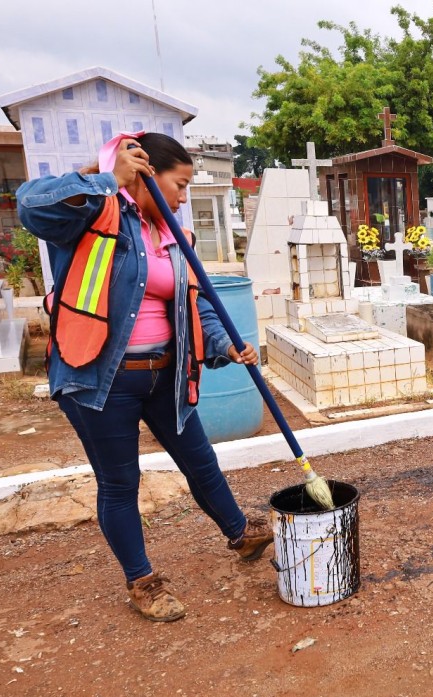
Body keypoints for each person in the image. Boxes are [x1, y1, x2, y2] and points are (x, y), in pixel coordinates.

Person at [17, 132, 273, 623]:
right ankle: (142, 581)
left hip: (163, 376)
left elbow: (199, 307)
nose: (183, 197)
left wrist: (226, 345)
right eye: (179, 184)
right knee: (120, 483)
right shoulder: (93, 213)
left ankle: (241, 534)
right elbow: (32, 207)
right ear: (146, 175)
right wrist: (108, 180)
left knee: (201, 462)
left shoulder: (178, 239)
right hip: (99, 379)